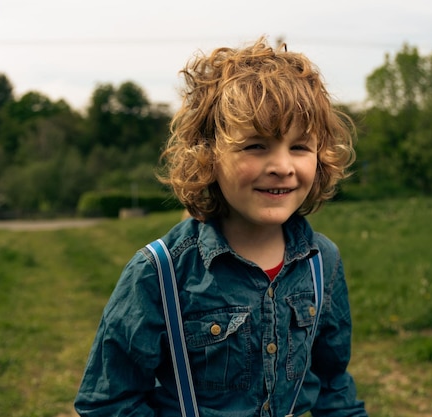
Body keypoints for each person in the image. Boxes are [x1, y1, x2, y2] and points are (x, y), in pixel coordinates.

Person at [74, 37, 368, 417]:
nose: (282, 165)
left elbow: (333, 385)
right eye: (256, 146)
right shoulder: (160, 271)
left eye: (299, 147)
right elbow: (109, 402)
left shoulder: (320, 263)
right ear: (208, 156)